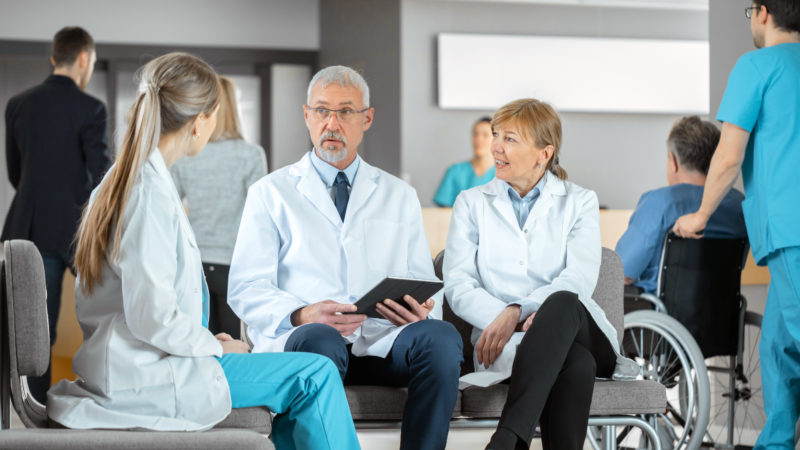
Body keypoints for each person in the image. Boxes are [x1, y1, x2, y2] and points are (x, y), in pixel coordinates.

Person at [46, 53, 360, 450]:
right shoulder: (146, 194)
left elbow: (151, 308)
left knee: (298, 377)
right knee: (315, 374)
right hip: (148, 379)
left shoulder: (134, 181)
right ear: (200, 122)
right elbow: (152, 317)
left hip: (146, 363)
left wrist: (205, 340)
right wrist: (215, 346)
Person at [228, 65, 462, 450]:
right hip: (310, 339)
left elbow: (421, 278)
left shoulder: (398, 194)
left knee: (441, 337)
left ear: (366, 118)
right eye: (321, 110)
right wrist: (303, 314)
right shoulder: (270, 193)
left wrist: (421, 311)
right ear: (306, 116)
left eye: (345, 111)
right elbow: (246, 287)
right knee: (321, 339)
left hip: (382, 339)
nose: (331, 123)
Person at [444, 99, 638, 450]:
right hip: (502, 342)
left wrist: (518, 310)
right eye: (495, 135)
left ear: (543, 153)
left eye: (511, 139)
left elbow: (578, 278)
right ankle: (509, 440)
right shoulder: (470, 203)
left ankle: (506, 437)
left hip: (582, 330)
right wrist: (505, 320)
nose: (496, 147)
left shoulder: (580, 201)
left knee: (562, 301)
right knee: (576, 365)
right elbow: (458, 285)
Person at [673, 1, 800, 447]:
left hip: (791, 228)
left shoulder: (757, 66)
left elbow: (727, 155)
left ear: (763, 13)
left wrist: (701, 216)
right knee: (778, 348)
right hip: (787, 234)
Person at [2, 26, 110, 405]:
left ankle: (33, 407)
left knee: (35, 326)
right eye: (92, 63)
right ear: (83, 59)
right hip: (80, 230)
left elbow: (16, 173)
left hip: (30, 226)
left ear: (54, 57)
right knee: (106, 318)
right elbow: (101, 177)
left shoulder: (18, 104)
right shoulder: (92, 109)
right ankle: (102, 399)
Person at [170, 75, 267, 337]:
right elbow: (260, 217)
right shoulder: (251, 155)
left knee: (201, 347)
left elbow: (169, 205)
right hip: (233, 266)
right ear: (234, 109)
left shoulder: (187, 155)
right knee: (234, 348)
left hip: (194, 265)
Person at [616, 116, 747, 295]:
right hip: (720, 317)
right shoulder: (738, 205)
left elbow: (622, 272)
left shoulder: (659, 202)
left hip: (658, 318)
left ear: (674, 161)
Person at [433, 117, 495, 207]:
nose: (479, 139)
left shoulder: (506, 176)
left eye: (485, 135)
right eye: (475, 134)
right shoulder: (455, 171)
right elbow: (444, 210)